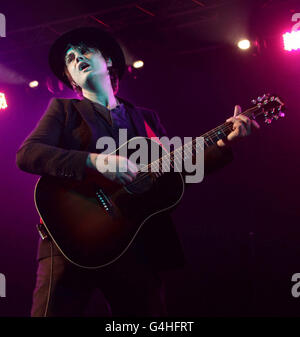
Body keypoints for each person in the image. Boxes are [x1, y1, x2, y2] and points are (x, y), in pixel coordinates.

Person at [16, 27, 259, 317]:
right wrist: (95, 161)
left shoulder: (145, 119)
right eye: (70, 58)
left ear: (107, 61)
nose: (77, 57)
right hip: (70, 240)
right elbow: (28, 155)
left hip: (133, 244)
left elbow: (176, 178)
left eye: (85, 50)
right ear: (71, 79)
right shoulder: (64, 110)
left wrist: (222, 142)